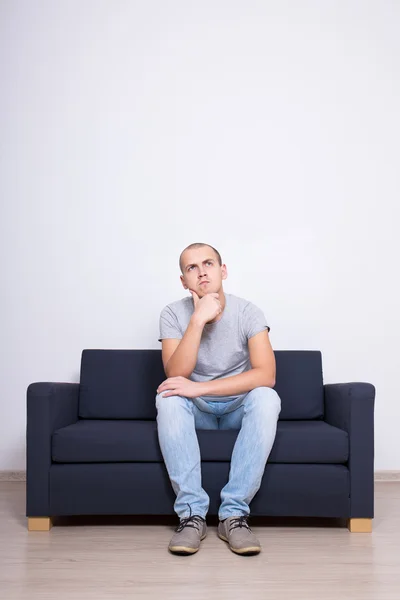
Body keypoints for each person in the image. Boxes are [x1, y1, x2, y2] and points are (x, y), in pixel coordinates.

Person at [156, 242, 281, 555]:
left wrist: (200, 387)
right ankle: (191, 516)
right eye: (191, 268)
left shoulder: (248, 312)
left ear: (222, 271)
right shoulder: (173, 313)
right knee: (168, 397)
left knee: (267, 398)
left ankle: (233, 515)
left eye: (208, 264)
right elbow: (176, 373)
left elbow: (266, 375)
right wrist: (198, 319)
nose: (201, 273)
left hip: (237, 407)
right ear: (184, 281)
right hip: (196, 410)